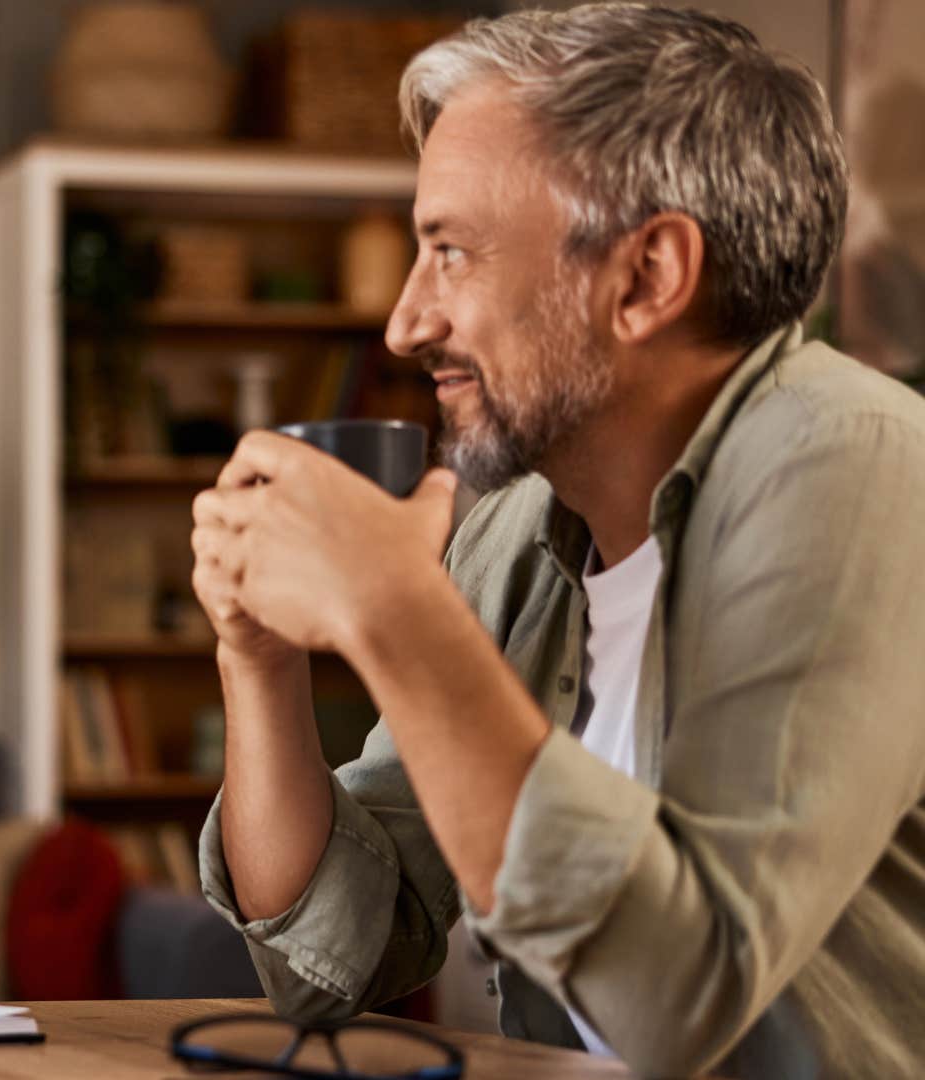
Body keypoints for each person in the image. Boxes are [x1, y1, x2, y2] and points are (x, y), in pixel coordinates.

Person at [189, 6, 925, 1077]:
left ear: (646, 278)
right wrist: (257, 658)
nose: (404, 322)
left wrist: (396, 612)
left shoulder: (855, 468)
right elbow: (332, 956)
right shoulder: (523, 530)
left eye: (450, 253)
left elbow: (683, 994)